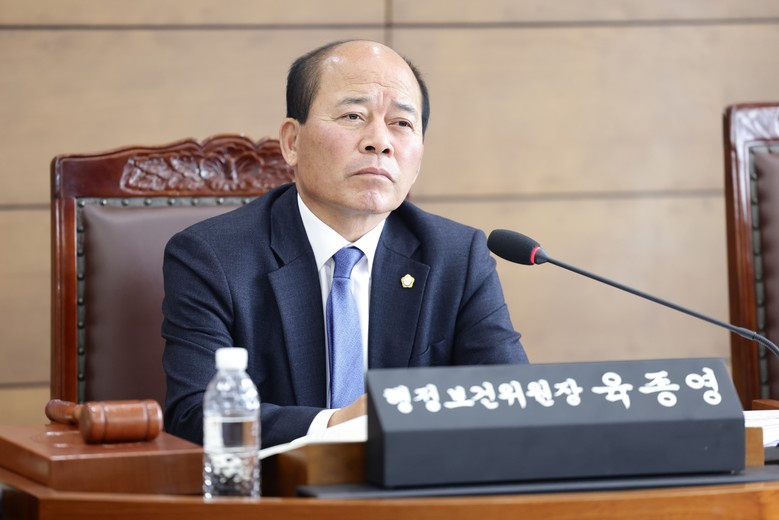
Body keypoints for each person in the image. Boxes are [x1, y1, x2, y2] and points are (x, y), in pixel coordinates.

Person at [162, 39, 529, 448]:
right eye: (353, 115)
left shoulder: (458, 257)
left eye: (402, 123)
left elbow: (510, 400)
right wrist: (335, 425)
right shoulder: (212, 257)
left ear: (419, 156)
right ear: (292, 142)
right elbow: (195, 415)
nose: (380, 142)